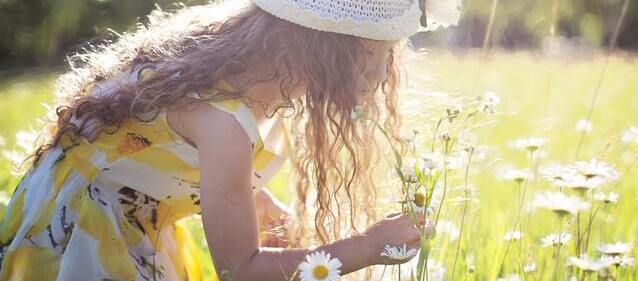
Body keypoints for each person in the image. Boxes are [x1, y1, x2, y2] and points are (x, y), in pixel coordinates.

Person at [0, 0, 432, 280]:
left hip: (132, 215)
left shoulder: (248, 67)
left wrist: (262, 207)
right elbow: (239, 270)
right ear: (319, 47)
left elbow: (162, 151)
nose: (381, 74)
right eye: (370, 52)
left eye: (387, 53)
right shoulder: (226, 122)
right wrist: (366, 247)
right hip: (79, 228)